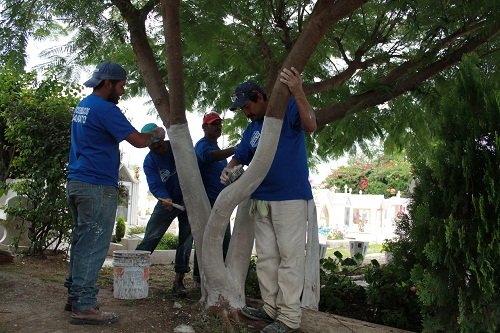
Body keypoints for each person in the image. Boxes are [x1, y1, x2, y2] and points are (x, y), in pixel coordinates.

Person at [65, 61, 165, 325]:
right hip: (96, 186)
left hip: (77, 182)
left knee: (80, 242)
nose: (122, 91)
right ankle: (85, 306)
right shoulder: (106, 109)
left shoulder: (83, 106)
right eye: (120, 86)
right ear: (107, 83)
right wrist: (156, 133)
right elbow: (138, 141)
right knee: (94, 245)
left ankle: (74, 296)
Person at [221, 67, 317, 333]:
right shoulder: (252, 129)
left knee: (290, 258)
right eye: (242, 109)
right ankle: (270, 309)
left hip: (290, 198)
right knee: (266, 258)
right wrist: (229, 168)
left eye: (247, 106)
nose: (246, 112)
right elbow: (240, 155)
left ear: (259, 97)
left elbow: (311, 124)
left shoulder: (288, 111)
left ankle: (288, 318)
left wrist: (298, 90)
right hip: (261, 199)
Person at [135, 123, 193, 294]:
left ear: (164, 139)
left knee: (186, 240)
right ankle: (134, 274)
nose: (156, 148)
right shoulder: (149, 161)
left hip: (188, 199)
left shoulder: (177, 149)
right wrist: (164, 197)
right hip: (166, 202)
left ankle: (178, 282)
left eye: (158, 144)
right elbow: (154, 184)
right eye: (151, 145)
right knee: (151, 236)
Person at [192, 112, 236, 282]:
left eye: (219, 124)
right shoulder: (203, 145)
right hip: (208, 202)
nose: (218, 127)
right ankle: (200, 277)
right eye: (213, 124)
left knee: (223, 241)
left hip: (220, 201)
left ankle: (220, 276)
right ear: (204, 127)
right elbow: (208, 157)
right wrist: (234, 150)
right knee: (209, 240)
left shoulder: (217, 148)